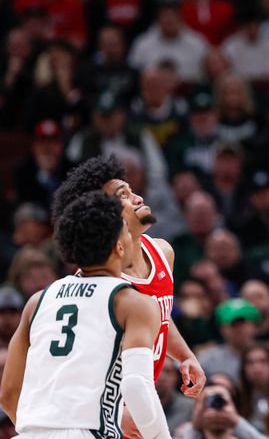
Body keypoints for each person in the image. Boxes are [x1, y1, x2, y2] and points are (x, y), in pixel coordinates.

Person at [50, 154, 207, 436]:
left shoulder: (163, 252)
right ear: (101, 214)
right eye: (124, 195)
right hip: (99, 419)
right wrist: (113, 412)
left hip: (140, 406)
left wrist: (184, 356)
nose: (137, 198)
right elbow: (73, 369)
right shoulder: (92, 283)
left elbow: (157, 317)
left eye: (132, 189)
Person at [0, 191, 170, 438]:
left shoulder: (37, 301)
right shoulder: (133, 303)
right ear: (119, 246)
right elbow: (136, 386)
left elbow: (8, 393)